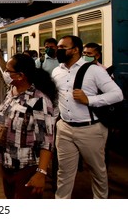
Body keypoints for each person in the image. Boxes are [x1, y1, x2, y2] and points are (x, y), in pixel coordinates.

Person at [52, 35, 123, 199]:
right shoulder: (57, 71)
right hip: (64, 128)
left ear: (75, 50)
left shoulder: (94, 70)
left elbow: (117, 94)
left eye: (63, 47)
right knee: (63, 172)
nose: (58, 50)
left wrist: (89, 100)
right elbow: (57, 98)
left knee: (97, 171)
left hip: (90, 129)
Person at [0, 53, 58, 199]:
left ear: (20, 75)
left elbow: (47, 140)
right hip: (6, 162)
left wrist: (41, 173)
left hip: (26, 166)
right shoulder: (11, 92)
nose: (5, 73)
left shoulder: (39, 101)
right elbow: (3, 119)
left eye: (8, 70)